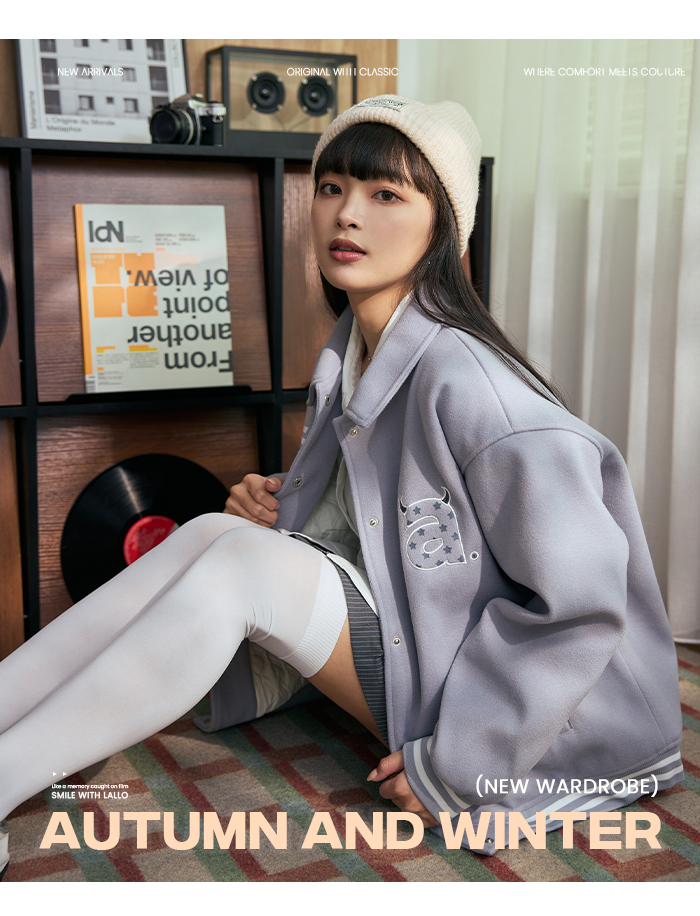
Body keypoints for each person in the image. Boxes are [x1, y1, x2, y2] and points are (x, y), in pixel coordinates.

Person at [0, 97, 683, 877]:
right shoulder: (353, 352)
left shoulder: (476, 388)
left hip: (528, 721)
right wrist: (280, 511)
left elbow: (584, 604)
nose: (347, 214)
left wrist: (460, 764)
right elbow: (389, 528)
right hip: (422, 645)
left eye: (386, 194)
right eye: (331, 188)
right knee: (215, 533)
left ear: (443, 226)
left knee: (238, 562)